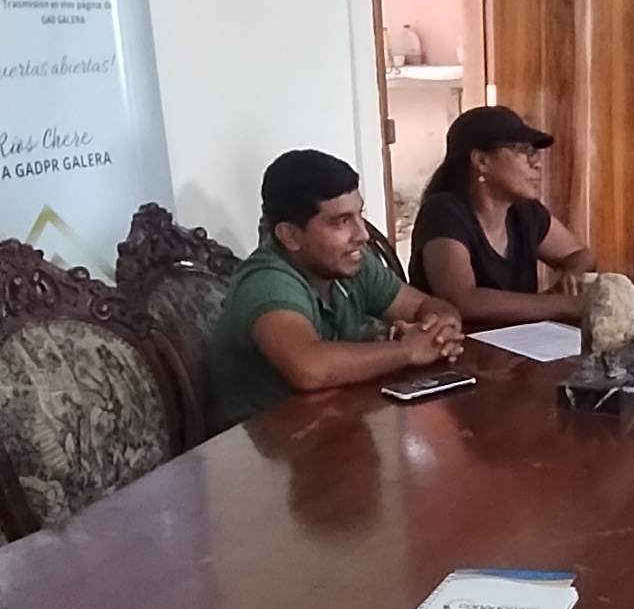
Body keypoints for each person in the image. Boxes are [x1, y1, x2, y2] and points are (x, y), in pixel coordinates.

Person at [206, 148, 463, 431]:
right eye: (341, 221)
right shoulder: (268, 281)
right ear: (290, 236)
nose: (362, 234)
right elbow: (309, 368)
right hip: (258, 448)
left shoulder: (350, 263)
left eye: (359, 214)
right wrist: (408, 350)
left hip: (330, 427)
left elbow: (425, 306)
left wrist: (441, 328)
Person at [409, 106, 595, 325]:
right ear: (481, 161)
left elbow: (580, 254)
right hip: (459, 344)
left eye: (534, 152)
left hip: (517, 341)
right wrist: (565, 305)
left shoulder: (524, 211)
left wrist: (572, 274)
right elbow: (461, 301)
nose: (537, 163)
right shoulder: (443, 212)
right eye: (522, 150)